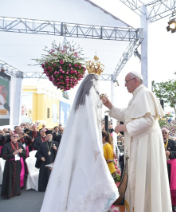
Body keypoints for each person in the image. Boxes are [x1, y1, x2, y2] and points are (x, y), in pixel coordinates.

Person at [40, 70, 118, 212]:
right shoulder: (90, 95)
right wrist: (96, 146)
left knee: (78, 174)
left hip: (79, 143)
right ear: (93, 83)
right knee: (87, 175)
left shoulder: (82, 99)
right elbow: (92, 123)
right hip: (88, 143)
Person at [102, 71, 172, 212]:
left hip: (146, 145)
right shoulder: (136, 97)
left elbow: (149, 120)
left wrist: (125, 127)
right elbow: (127, 115)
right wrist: (110, 106)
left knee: (145, 181)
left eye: (127, 82)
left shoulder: (145, 94)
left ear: (135, 81)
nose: (125, 85)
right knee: (138, 180)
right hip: (138, 144)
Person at [162, 128, 176, 212]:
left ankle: (173, 204)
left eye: (165, 133)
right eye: (162, 133)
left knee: (172, 183)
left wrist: (170, 153)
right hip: (161, 165)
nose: (164, 134)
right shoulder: (157, 142)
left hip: (170, 165)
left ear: (168, 134)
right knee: (162, 183)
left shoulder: (172, 142)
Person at [0, 133, 26, 199]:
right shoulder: (6, 145)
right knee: (9, 178)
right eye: (14, 136)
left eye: (17, 136)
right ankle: (9, 193)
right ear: (10, 137)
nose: (15, 137)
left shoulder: (20, 144)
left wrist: (21, 152)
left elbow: (24, 154)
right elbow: (4, 156)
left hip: (18, 163)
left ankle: (16, 191)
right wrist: (14, 153)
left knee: (17, 177)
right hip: (10, 164)